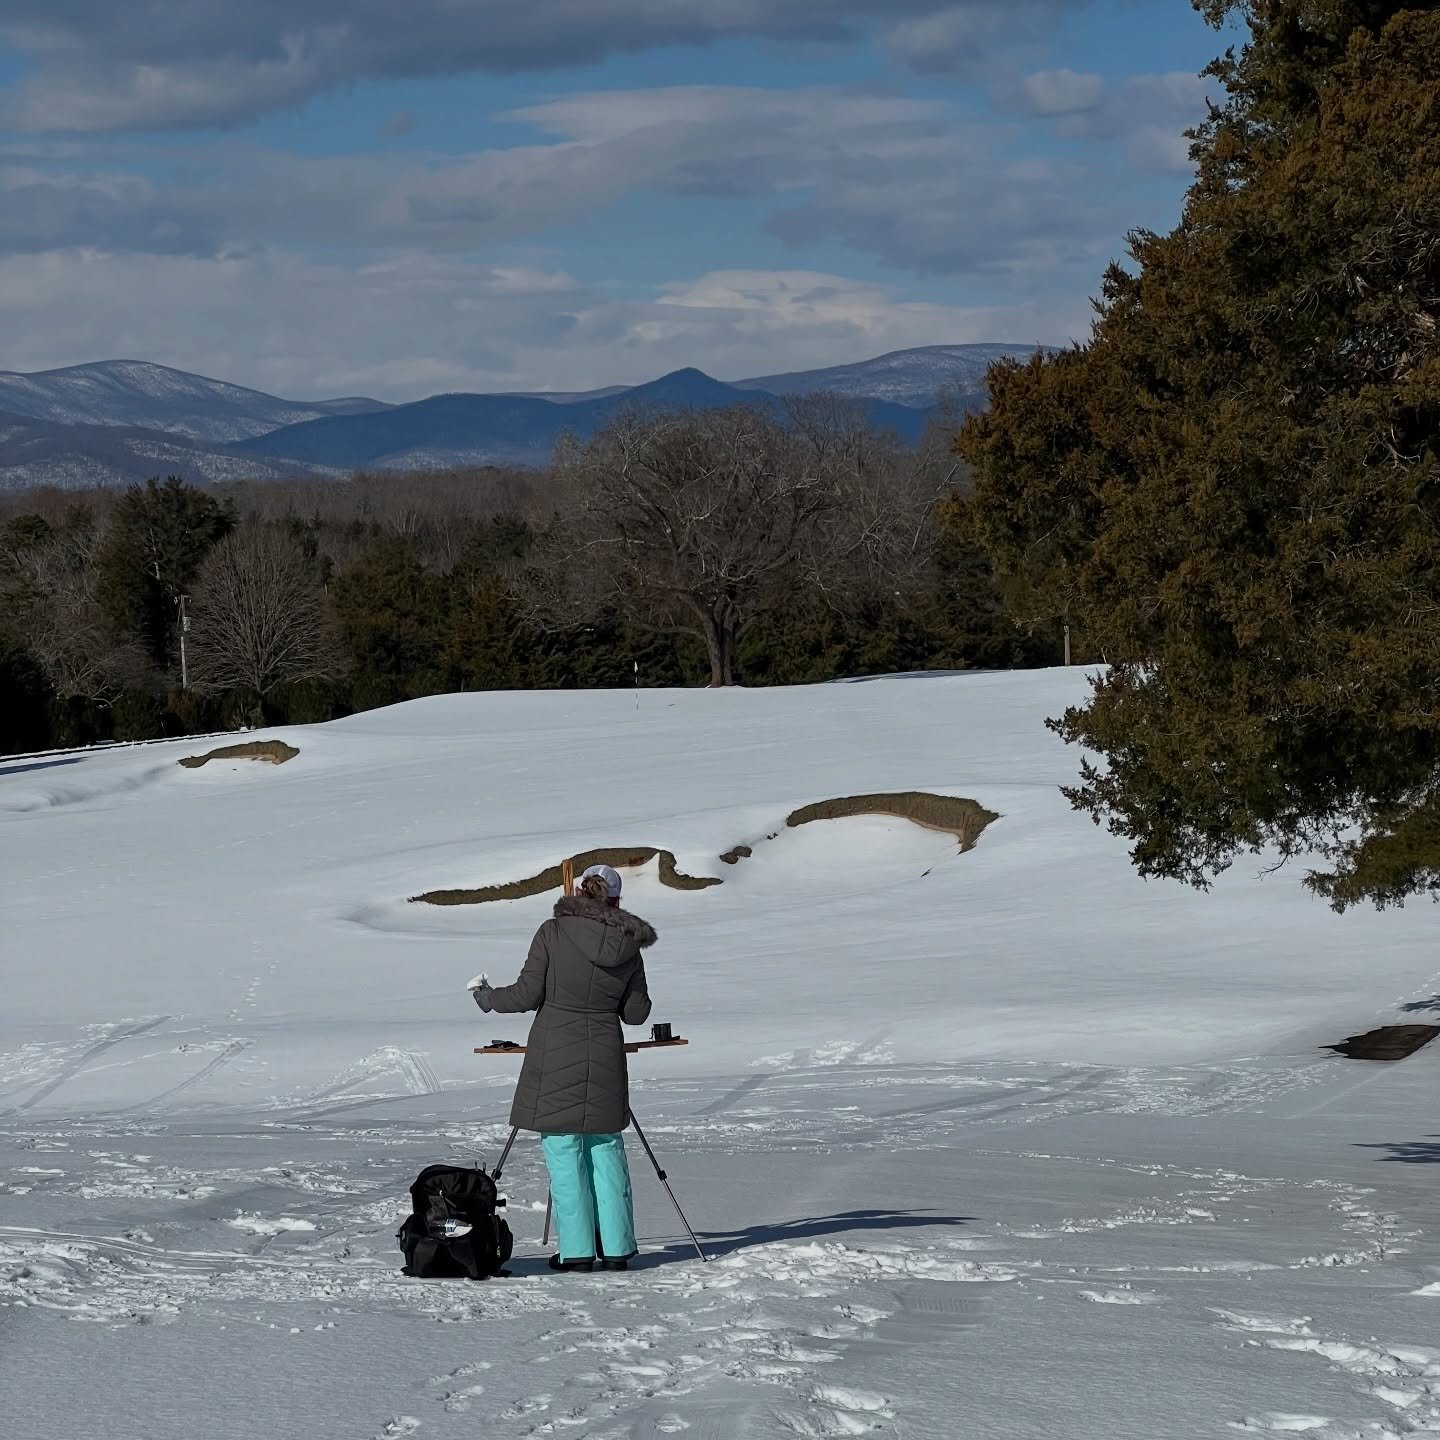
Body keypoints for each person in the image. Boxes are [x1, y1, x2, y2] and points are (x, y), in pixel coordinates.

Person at [472, 863, 655, 1273]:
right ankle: (617, 1248)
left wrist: (488, 998)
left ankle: (576, 1251)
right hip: (605, 1054)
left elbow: (525, 993)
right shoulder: (629, 943)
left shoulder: (552, 932)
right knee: (606, 1148)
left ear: (577, 894)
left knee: (563, 1147)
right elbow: (637, 1013)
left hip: (555, 1053)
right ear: (617, 901)